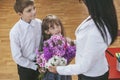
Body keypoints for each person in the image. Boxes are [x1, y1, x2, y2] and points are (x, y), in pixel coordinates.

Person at [48, 0, 118, 80]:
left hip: (92, 76)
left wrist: (58, 69)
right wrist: (73, 42)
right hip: (86, 72)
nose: (84, 5)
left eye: (85, 3)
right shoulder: (98, 16)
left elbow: (84, 66)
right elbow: (90, 45)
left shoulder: (96, 33)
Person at [9, 0, 42, 80]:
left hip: (41, 63)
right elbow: (17, 57)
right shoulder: (15, 32)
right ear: (20, 14)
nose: (33, 12)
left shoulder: (39, 23)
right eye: (29, 11)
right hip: (26, 67)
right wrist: (34, 66)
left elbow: (43, 42)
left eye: (34, 8)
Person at [40, 14, 72, 80]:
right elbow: (44, 59)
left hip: (63, 71)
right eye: (53, 28)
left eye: (58, 25)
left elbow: (70, 56)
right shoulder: (47, 44)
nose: (57, 29)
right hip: (52, 73)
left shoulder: (66, 40)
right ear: (47, 31)